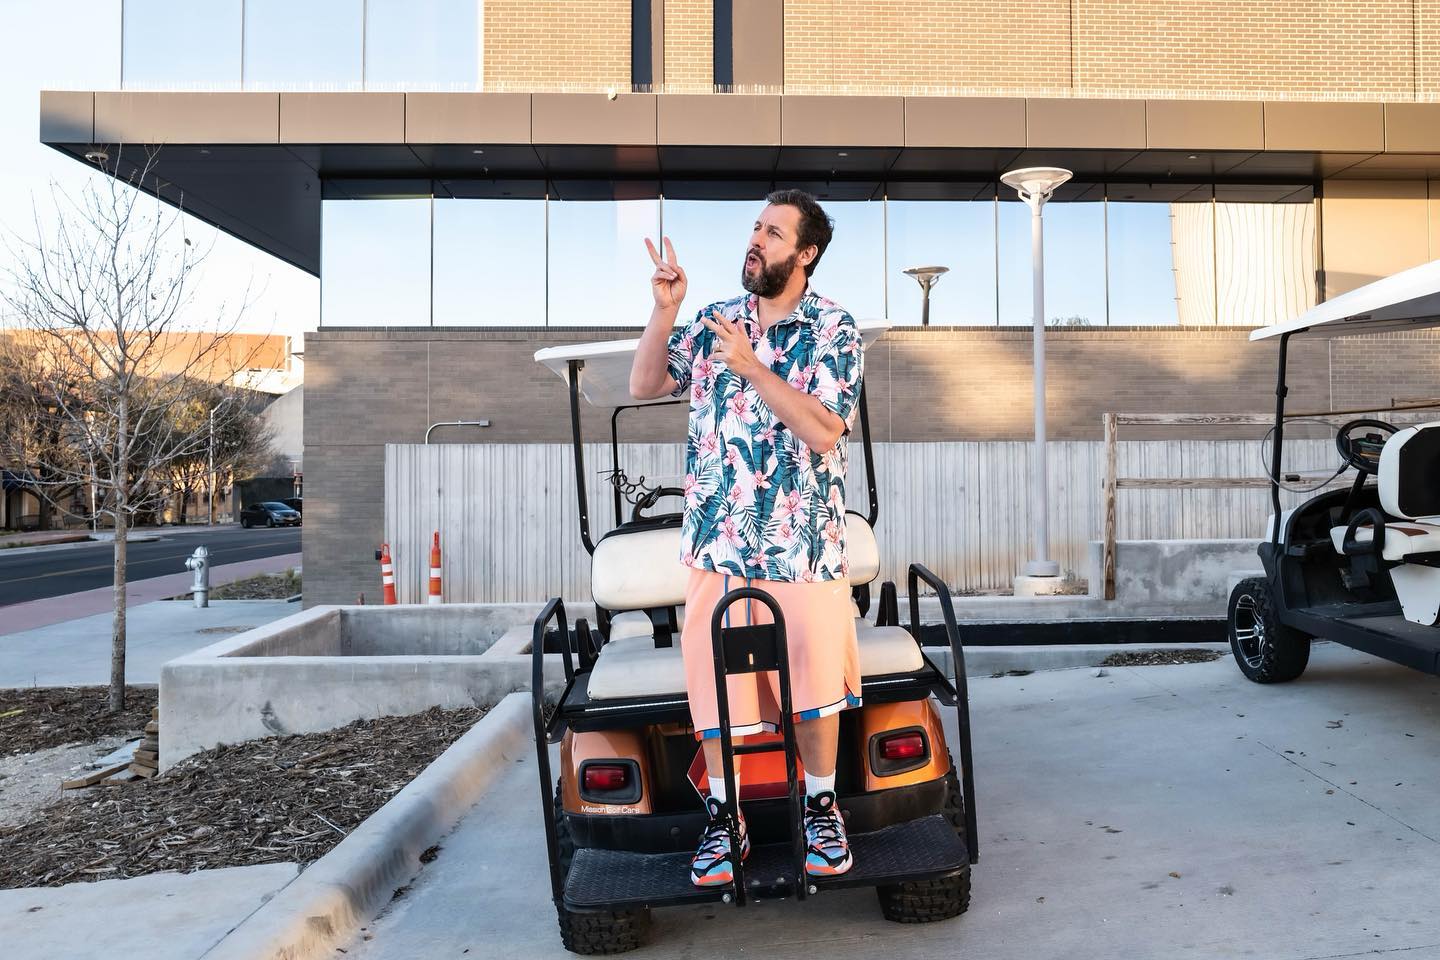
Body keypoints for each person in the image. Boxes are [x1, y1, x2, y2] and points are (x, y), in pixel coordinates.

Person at [629, 189, 865, 887]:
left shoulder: (834, 330)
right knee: (717, 691)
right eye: (755, 228)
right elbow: (644, 383)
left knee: (816, 687)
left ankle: (820, 805)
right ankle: (723, 817)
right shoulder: (713, 322)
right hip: (717, 545)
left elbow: (824, 428)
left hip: (805, 546)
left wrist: (755, 368)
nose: (756, 240)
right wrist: (666, 308)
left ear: (805, 253)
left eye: (773, 232)